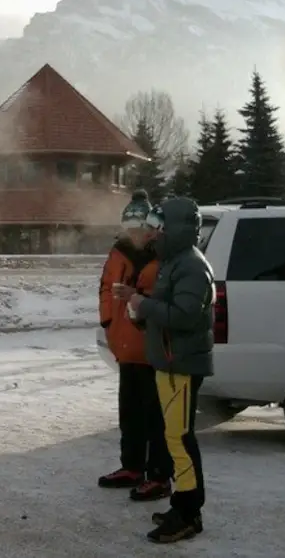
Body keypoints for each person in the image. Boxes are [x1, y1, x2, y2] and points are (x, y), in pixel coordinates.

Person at [128, 197, 215, 543]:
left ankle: (189, 513)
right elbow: (168, 312)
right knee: (173, 436)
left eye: (158, 228)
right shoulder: (174, 261)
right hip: (168, 361)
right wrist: (142, 314)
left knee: (179, 438)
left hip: (180, 364)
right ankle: (182, 501)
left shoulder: (192, 266)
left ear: (175, 229)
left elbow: (184, 315)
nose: (151, 235)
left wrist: (143, 304)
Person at [97, 190, 173, 502]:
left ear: (150, 228)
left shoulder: (166, 255)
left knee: (156, 415)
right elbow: (104, 288)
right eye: (128, 229)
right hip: (126, 345)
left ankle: (159, 475)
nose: (133, 235)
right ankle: (132, 467)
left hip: (154, 348)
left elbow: (169, 299)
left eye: (137, 229)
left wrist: (139, 296)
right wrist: (109, 324)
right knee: (129, 411)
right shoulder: (118, 251)